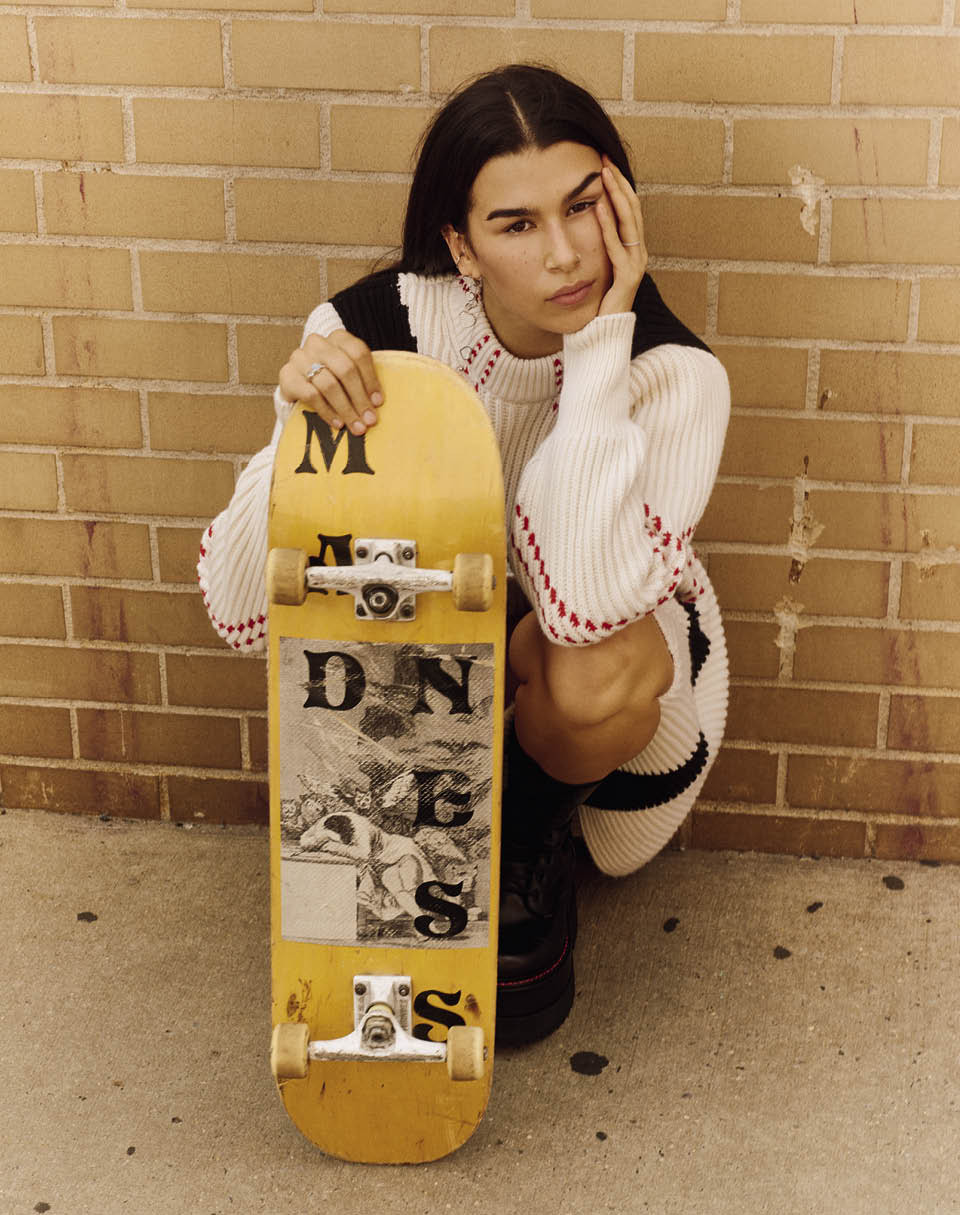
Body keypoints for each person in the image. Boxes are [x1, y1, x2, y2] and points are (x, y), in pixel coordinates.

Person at [198, 63, 730, 1046]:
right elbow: (244, 610)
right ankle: (442, 837)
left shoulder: (673, 377)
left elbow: (579, 607)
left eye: (583, 207)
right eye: (516, 224)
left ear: (621, 207)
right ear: (461, 245)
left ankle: (523, 831)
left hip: (609, 688)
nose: (565, 254)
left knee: (595, 667)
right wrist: (295, 430)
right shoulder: (374, 330)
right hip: (428, 671)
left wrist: (600, 348)